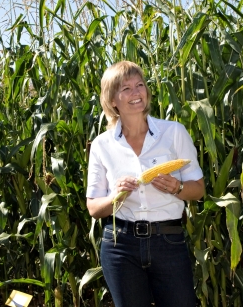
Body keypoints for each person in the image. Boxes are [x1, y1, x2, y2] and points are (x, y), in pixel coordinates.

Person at [86, 61, 204, 307]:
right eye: (125, 88)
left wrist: (177, 188)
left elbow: (199, 189)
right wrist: (115, 197)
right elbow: (94, 208)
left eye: (139, 85)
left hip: (168, 241)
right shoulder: (102, 145)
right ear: (112, 101)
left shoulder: (173, 133)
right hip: (120, 245)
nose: (136, 92)